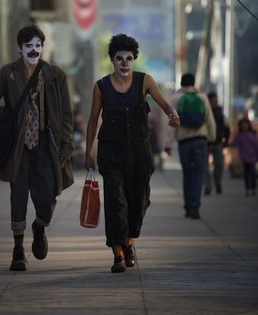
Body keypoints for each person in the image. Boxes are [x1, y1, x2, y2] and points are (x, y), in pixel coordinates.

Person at [0, 24, 74, 271]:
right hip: (16, 146)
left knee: (49, 195)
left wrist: (66, 145)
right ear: (20, 48)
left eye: (38, 45)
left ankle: (39, 226)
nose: (34, 50)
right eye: (29, 46)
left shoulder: (55, 74)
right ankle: (18, 251)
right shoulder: (8, 73)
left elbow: (66, 114)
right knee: (18, 197)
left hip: (45, 145)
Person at [85, 33, 180, 273]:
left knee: (139, 201)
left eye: (129, 58)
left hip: (139, 151)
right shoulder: (101, 87)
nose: (124, 63)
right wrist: (88, 152)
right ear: (112, 60)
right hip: (111, 152)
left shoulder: (145, 81)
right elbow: (93, 120)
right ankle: (117, 252)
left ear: (134, 60)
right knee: (116, 202)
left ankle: (128, 241)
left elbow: (163, 102)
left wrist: (172, 113)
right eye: (119, 58)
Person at [165, 73, 216, 220]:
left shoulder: (176, 98)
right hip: (200, 140)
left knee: (187, 174)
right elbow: (210, 120)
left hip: (184, 141)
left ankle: (188, 206)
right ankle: (195, 206)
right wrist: (211, 139)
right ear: (194, 83)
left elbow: (171, 123)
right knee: (199, 174)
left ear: (181, 83)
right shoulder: (202, 97)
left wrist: (167, 144)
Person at [203, 92, 230, 195]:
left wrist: (225, 142)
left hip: (217, 142)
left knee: (219, 164)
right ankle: (207, 186)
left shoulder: (220, 112)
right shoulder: (204, 111)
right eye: (214, 101)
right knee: (204, 166)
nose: (215, 103)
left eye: (216, 101)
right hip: (205, 142)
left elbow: (227, 127)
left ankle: (217, 183)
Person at [229, 117, 258, 196]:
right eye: (242, 125)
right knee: (247, 174)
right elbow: (234, 143)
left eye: (245, 125)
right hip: (244, 158)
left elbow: (256, 145)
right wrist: (226, 144)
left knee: (252, 173)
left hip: (252, 157)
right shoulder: (239, 136)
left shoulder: (252, 135)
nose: (244, 126)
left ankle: (253, 187)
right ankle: (248, 188)